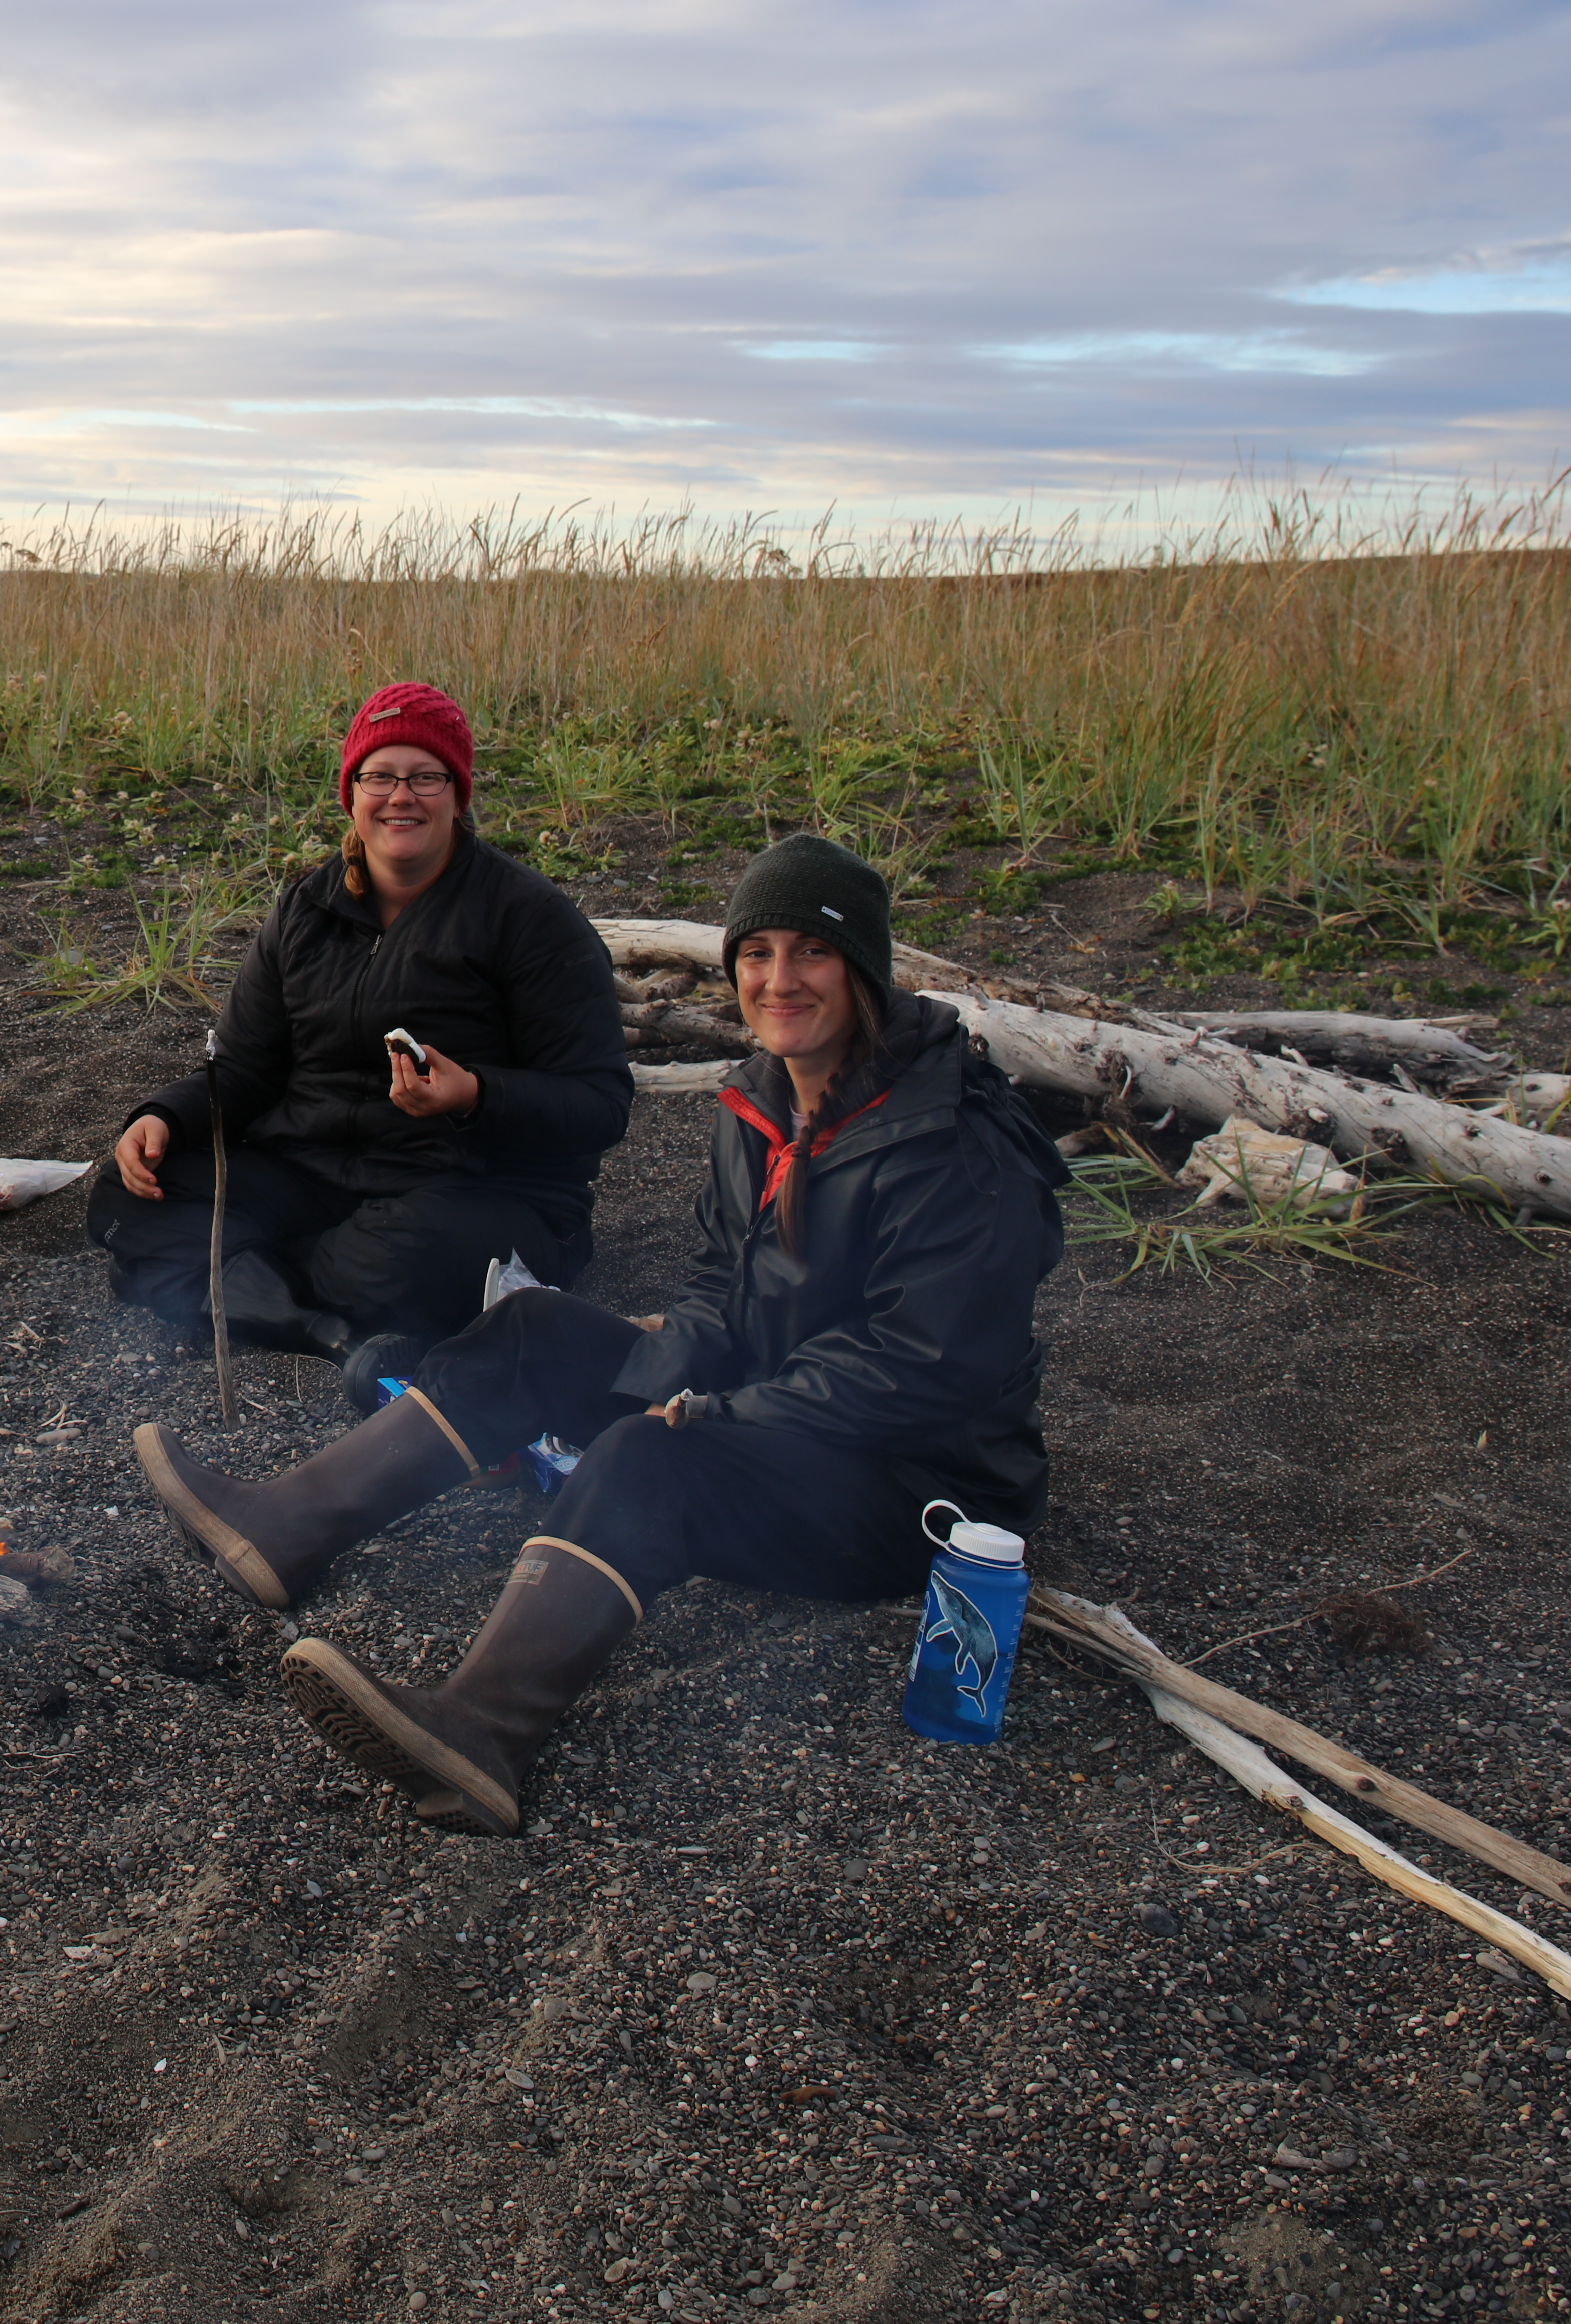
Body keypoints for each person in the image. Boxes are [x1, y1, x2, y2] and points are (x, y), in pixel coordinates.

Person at [130, 833, 1068, 1833]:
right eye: (757, 953)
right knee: (534, 1331)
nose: (779, 979)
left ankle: (484, 1730)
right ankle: (289, 1526)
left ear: (865, 969)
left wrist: (715, 1409)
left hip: (916, 1489)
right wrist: (684, 1356)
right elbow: (722, 1282)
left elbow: (925, 1367)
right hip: (779, 1406)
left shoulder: (951, 1138)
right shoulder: (762, 1099)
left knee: (650, 1457)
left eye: (813, 953)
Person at [87, 680, 633, 1354]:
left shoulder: (531, 920)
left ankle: (235, 1286)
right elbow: (245, 1069)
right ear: (351, 795)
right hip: (312, 1176)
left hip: (470, 1190)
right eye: (379, 776)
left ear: (459, 794)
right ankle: (313, 1319)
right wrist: (163, 1116)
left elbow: (599, 1105)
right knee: (131, 1187)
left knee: (408, 1259)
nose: (401, 796)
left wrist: (474, 1095)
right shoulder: (307, 910)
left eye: (426, 777)